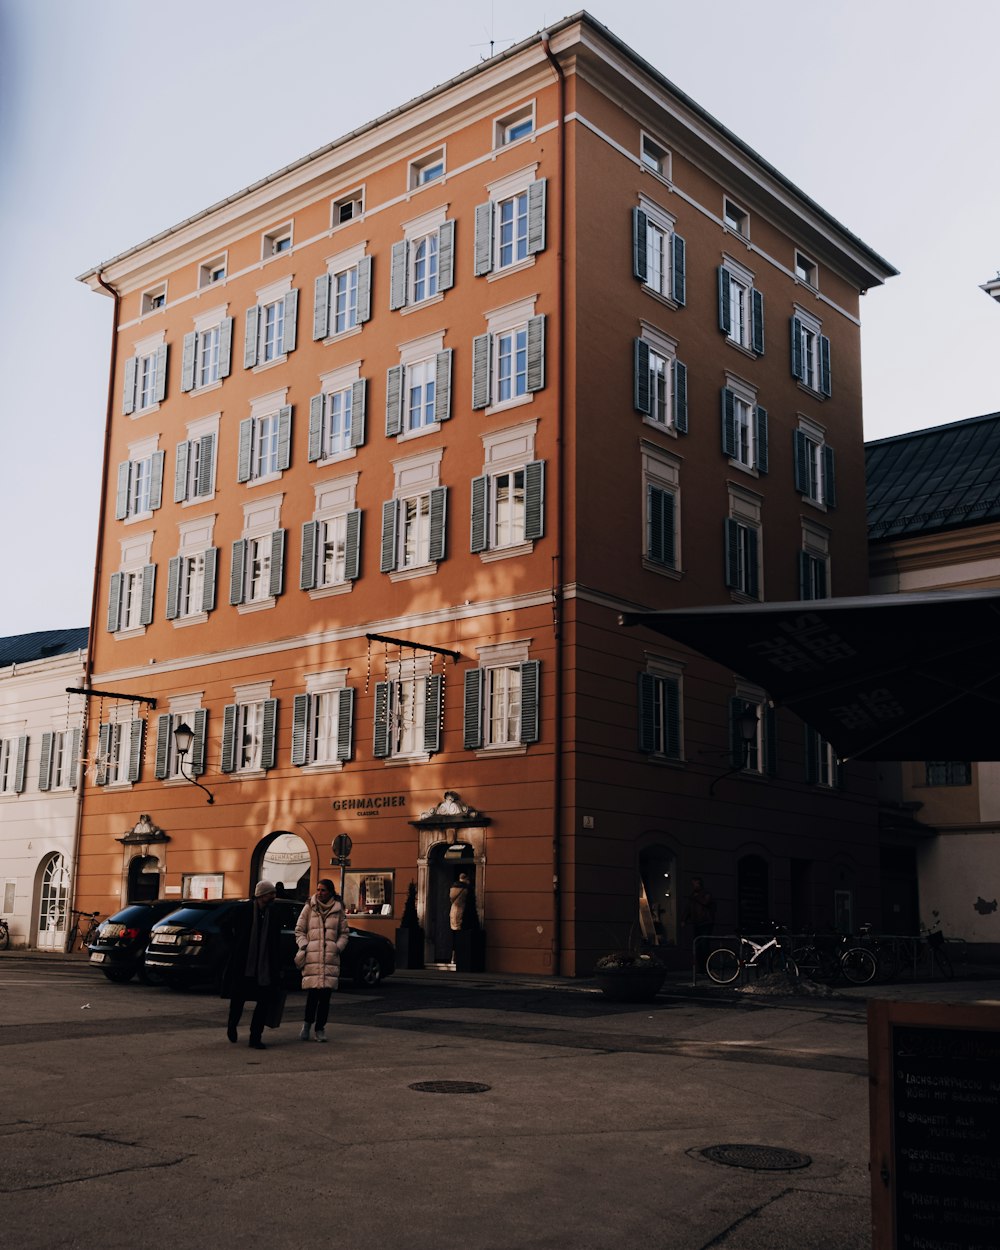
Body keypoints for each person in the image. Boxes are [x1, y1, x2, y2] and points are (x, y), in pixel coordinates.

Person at [224, 880, 282, 1050]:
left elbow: (276, 940)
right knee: (238, 1000)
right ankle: (232, 1026)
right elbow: (224, 927)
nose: (273, 896)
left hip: (264, 966)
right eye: (270, 893)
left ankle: (255, 1037)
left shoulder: (274, 913)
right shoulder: (243, 910)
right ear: (261, 895)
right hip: (244, 963)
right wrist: (234, 945)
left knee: (263, 1002)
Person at [295, 878, 350, 1042]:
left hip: (329, 959)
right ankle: (306, 1025)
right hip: (313, 957)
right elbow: (299, 930)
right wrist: (305, 945)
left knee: (325, 998)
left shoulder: (338, 910)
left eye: (323, 890)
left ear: (330, 892)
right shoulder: (309, 907)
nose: (320, 893)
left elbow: (344, 933)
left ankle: (320, 1029)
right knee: (312, 996)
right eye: (318, 889)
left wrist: (337, 947)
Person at [683, 876, 717, 971]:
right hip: (697, 923)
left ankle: (707, 967)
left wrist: (696, 897)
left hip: (706, 923)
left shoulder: (705, 894)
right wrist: (684, 919)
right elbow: (688, 909)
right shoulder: (693, 896)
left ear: (699, 884)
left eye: (695, 884)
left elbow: (706, 902)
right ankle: (701, 967)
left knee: (704, 945)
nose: (693, 886)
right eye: (693, 884)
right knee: (698, 946)